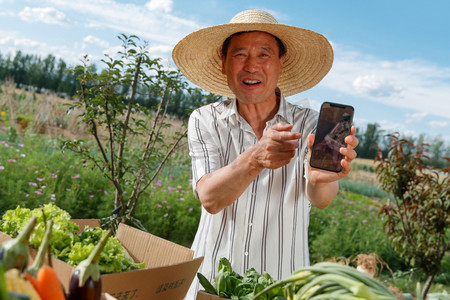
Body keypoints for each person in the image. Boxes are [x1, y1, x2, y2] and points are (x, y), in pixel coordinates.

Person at [172, 9, 359, 299]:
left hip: (279, 284)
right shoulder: (204, 119)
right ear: (223, 63)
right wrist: (256, 157)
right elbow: (209, 198)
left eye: (264, 55)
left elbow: (321, 200)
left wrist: (320, 180)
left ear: (281, 63)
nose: (251, 66)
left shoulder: (311, 124)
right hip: (210, 282)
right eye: (240, 55)